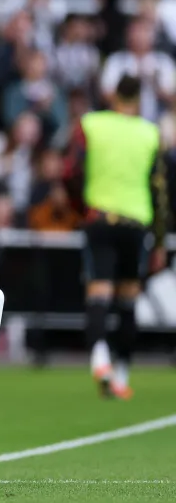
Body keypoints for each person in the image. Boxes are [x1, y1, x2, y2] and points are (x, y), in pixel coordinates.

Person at [64, 74, 169, 400]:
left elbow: (71, 171)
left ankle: (99, 360)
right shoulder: (150, 133)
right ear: (138, 100)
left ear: (112, 96)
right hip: (136, 222)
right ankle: (122, 372)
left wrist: (80, 208)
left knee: (98, 294)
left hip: (100, 218)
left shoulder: (91, 125)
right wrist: (161, 240)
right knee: (127, 300)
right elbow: (160, 191)